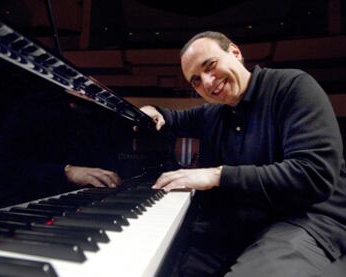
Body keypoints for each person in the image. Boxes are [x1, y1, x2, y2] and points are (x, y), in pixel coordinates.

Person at [141, 31, 346, 276]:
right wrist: (152, 110)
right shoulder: (214, 113)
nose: (206, 82)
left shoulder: (293, 86)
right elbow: (170, 117)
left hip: (308, 221)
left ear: (235, 53)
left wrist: (217, 175)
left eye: (210, 65)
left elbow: (314, 175)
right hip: (243, 226)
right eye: (195, 80)